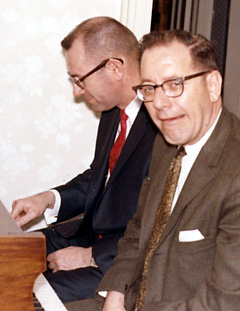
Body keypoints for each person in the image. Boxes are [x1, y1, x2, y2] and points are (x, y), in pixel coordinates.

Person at [65, 29, 240, 311]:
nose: (159, 103)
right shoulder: (167, 143)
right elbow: (138, 228)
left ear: (213, 85)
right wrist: (116, 289)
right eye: (149, 88)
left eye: (174, 84)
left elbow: (226, 304)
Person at [11, 16, 157, 303]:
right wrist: (48, 199)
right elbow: (100, 178)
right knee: (10, 255)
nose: (77, 91)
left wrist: (89, 257)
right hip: (90, 234)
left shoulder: (163, 123)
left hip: (123, 259)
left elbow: (161, 222)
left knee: (24, 295)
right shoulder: (113, 110)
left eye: (79, 79)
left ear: (114, 68)